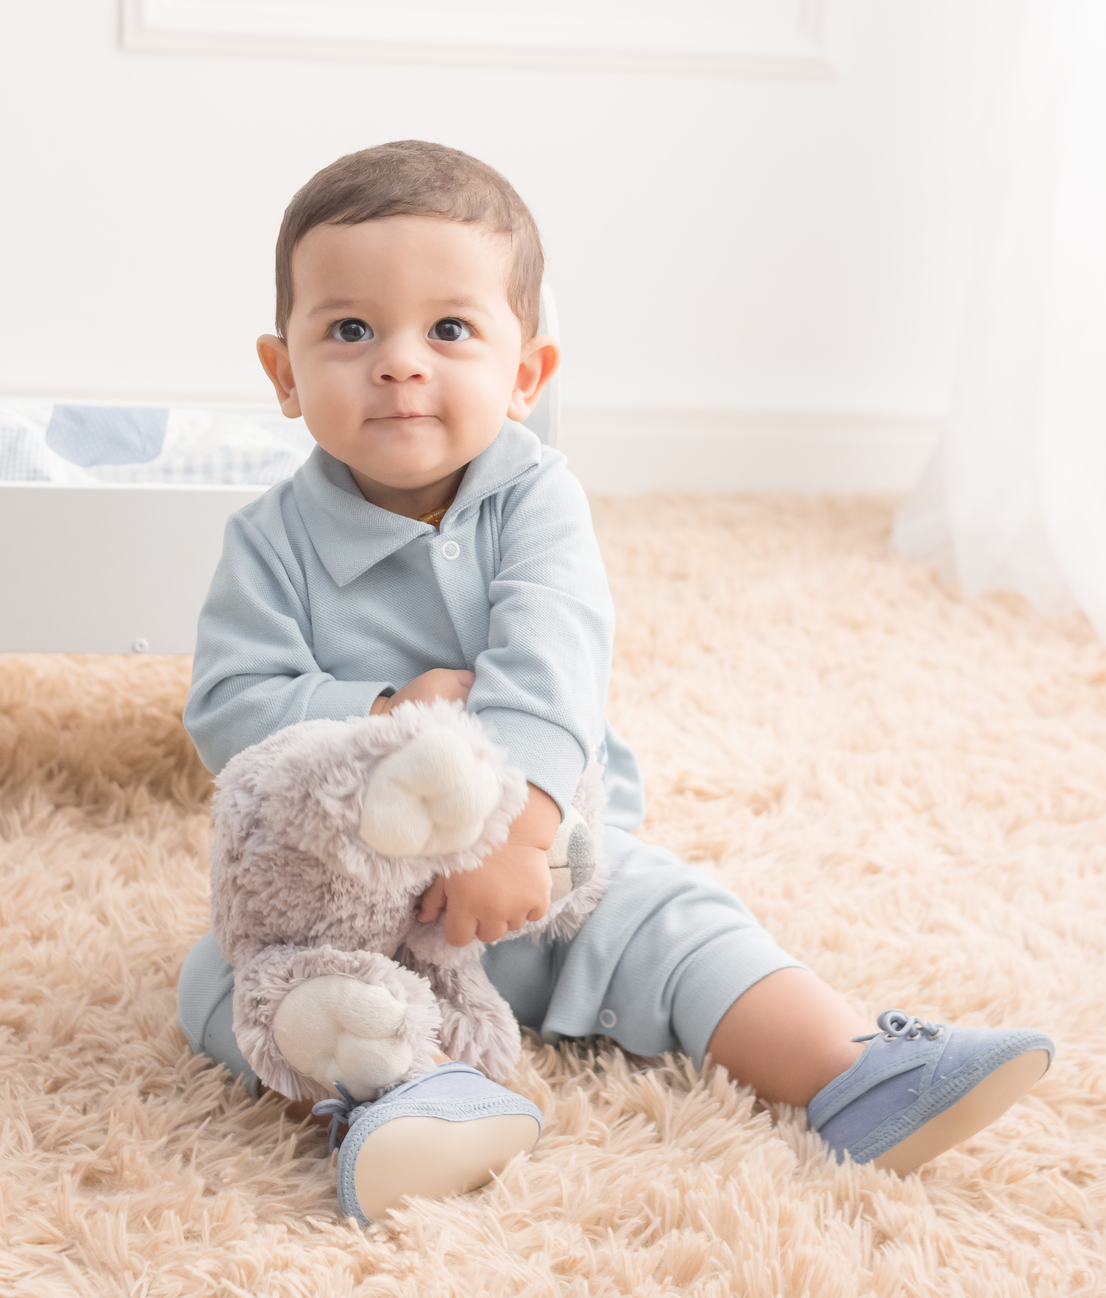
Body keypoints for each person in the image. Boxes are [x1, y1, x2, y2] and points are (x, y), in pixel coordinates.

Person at [178, 139, 1053, 1225]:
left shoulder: (537, 501)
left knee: (672, 915)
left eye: (450, 329)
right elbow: (230, 706)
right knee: (219, 985)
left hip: (550, 872)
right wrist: (391, 720)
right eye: (350, 329)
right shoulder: (267, 542)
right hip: (349, 896)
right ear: (283, 374)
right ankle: (414, 1088)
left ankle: (853, 1066)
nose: (400, 362)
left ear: (526, 375)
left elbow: (557, 655)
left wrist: (526, 827)